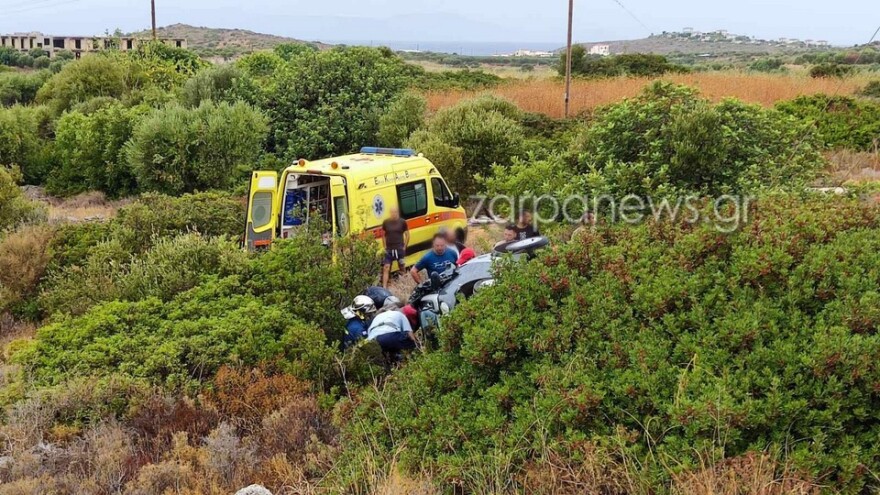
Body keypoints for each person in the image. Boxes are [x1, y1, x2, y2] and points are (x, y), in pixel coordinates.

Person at [381, 207, 409, 288]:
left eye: (395, 212)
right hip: (389, 249)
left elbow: (407, 235)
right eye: (392, 212)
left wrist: (404, 246)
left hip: (399, 248)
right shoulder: (386, 222)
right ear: (390, 213)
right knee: (386, 268)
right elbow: (383, 235)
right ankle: (384, 287)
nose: (393, 213)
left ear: (397, 212)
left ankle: (405, 285)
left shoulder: (402, 222)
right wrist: (384, 246)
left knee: (402, 267)